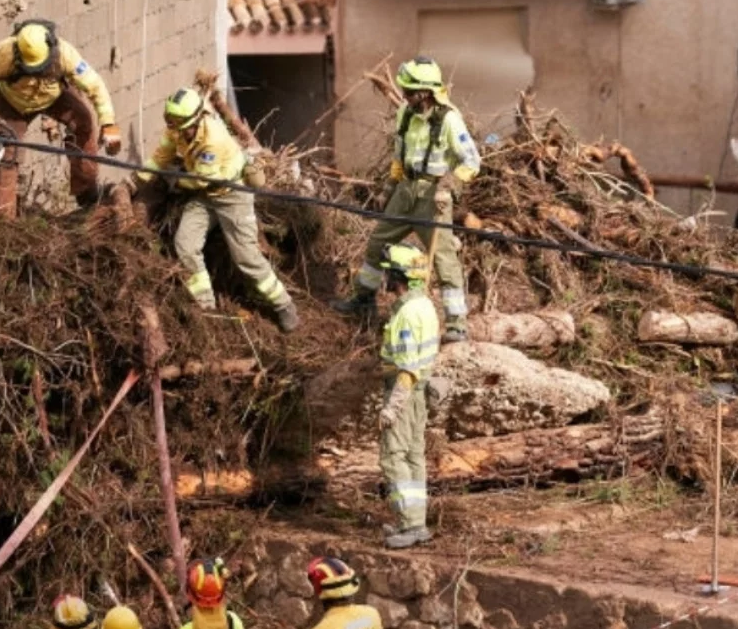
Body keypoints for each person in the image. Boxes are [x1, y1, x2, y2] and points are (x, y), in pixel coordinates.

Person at [332, 57, 481, 342]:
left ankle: (456, 325)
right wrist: (388, 189)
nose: (405, 95)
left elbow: (472, 161)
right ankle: (363, 301)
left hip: (433, 198)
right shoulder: (405, 113)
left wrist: (447, 185)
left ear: (425, 92)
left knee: (444, 260)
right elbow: (399, 157)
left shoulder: (449, 119)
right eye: (404, 90)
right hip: (405, 191)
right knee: (377, 243)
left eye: (410, 91)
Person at [137, 87, 298, 333]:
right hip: (205, 197)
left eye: (181, 126)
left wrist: (174, 181)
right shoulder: (177, 131)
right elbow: (161, 156)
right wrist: (137, 178)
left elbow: (201, 180)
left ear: (195, 120)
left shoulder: (213, 138)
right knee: (185, 244)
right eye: (173, 125)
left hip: (231, 195)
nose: (177, 131)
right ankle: (206, 306)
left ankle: (284, 305)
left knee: (246, 258)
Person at [0, 18, 121, 216]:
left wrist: (108, 123)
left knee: (83, 121)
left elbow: (95, 86)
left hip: (53, 97)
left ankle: (87, 191)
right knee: (6, 152)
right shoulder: (3, 53)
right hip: (13, 102)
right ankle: (2, 217)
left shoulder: (65, 54)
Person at [375, 243, 440, 550]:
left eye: (388, 273)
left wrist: (392, 407)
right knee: (414, 457)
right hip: (421, 392)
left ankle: (410, 524)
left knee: (394, 457)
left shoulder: (406, 314)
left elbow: (408, 368)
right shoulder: (425, 305)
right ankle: (416, 522)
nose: (384, 279)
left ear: (398, 276)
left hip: (406, 390)